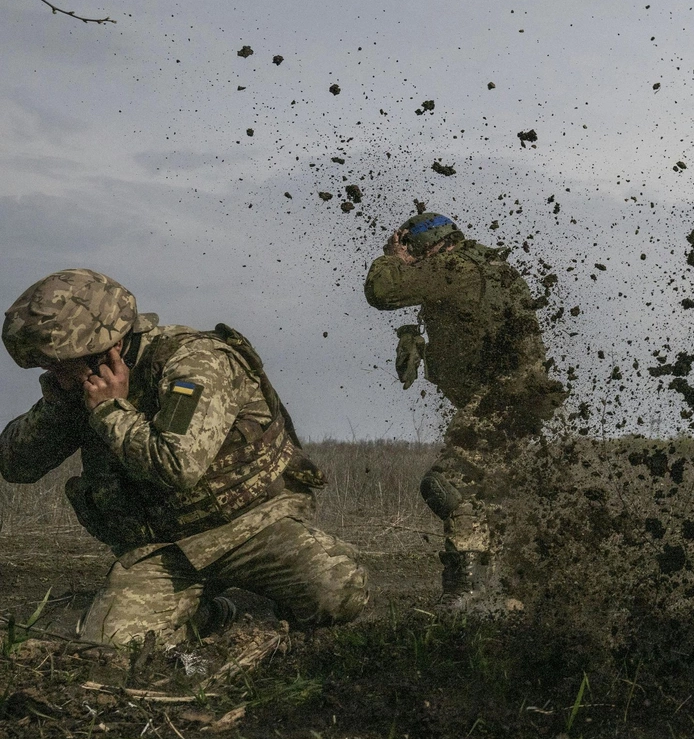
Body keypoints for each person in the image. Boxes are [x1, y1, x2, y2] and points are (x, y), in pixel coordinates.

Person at [0, 269, 368, 647]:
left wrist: (111, 411)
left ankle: (262, 607)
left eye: (59, 363)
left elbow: (178, 465)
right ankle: (216, 613)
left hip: (251, 526)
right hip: (166, 548)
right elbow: (15, 465)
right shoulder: (84, 386)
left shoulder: (195, 361)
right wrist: (62, 406)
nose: (54, 374)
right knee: (113, 645)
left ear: (101, 348)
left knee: (339, 592)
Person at [364, 211, 565, 609]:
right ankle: (508, 594)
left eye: (412, 248)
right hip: (516, 401)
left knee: (449, 485)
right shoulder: (485, 265)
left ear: (425, 244)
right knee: (490, 497)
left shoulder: (454, 265)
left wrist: (392, 257)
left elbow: (382, 291)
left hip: (504, 401)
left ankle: (469, 591)